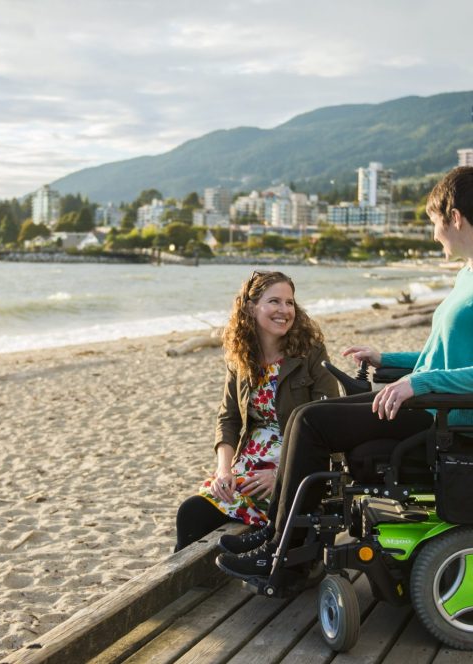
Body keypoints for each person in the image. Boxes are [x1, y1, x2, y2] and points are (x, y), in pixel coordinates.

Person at [216, 166, 473, 578]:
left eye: (435, 224)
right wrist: (388, 360)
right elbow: (441, 354)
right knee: (304, 418)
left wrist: (418, 382)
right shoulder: (466, 275)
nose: (435, 234)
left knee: (314, 421)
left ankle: (284, 550)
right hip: (425, 399)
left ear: (455, 217)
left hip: (445, 414)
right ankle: (275, 538)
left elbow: (449, 373)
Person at [174, 271, 339, 552]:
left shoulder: (310, 352)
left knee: (274, 516)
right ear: (251, 307)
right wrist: (223, 471)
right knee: (192, 512)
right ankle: (190, 587)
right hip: (247, 466)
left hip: (296, 464)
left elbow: (326, 423)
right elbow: (228, 419)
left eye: (289, 302)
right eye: (274, 301)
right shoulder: (241, 356)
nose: (284, 310)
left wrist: (281, 474)